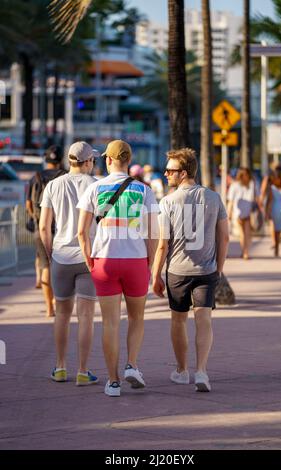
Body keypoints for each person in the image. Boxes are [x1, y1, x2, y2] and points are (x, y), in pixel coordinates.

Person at [77, 140, 160, 397]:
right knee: (136, 318)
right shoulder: (143, 190)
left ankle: (113, 382)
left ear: (109, 160)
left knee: (110, 323)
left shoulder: (95, 187)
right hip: (135, 260)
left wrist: (89, 260)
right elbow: (153, 233)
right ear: (128, 160)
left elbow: (81, 232)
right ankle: (132, 365)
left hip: (104, 260)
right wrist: (149, 261)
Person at [152, 148, 229, 393]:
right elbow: (224, 238)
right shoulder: (214, 198)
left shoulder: (166, 202)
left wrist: (155, 275)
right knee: (204, 319)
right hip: (207, 269)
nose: (166, 174)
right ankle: (202, 371)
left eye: (170, 170)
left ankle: (182, 370)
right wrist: (219, 268)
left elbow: (163, 244)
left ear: (183, 173)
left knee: (178, 320)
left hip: (177, 271)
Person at [39, 141, 99, 386]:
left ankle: (61, 366)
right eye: (93, 160)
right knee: (85, 316)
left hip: (61, 257)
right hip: (89, 256)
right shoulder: (96, 185)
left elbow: (44, 226)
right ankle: (83, 371)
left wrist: (51, 251)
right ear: (87, 162)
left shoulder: (53, 185)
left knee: (61, 314)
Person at [26, 145, 66, 317]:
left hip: (41, 227)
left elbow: (28, 203)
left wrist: (36, 218)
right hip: (62, 227)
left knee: (45, 266)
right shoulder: (65, 176)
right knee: (62, 266)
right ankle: (58, 299)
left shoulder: (36, 177)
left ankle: (49, 307)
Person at [227, 167, 259, 260]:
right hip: (242, 213)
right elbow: (231, 201)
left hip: (244, 212)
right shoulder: (250, 184)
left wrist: (229, 213)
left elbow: (231, 201)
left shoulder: (237, 185)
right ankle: (245, 252)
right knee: (244, 234)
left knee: (246, 234)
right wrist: (229, 213)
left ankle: (245, 252)